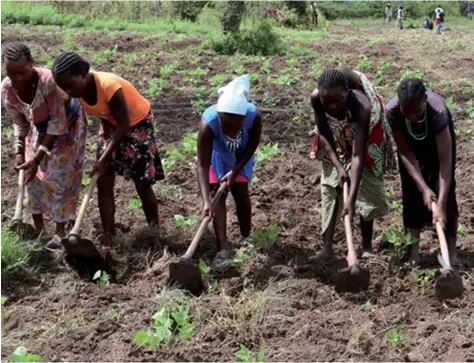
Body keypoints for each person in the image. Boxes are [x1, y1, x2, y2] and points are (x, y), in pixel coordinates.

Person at [52, 52, 164, 243]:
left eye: (70, 86)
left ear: (83, 73)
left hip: (136, 123)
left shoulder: (108, 86)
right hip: (110, 122)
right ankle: (108, 236)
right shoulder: (76, 90)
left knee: (142, 183)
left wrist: (102, 159)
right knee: (103, 180)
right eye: (64, 88)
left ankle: (155, 232)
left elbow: (124, 125)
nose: (68, 92)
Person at [1, 42, 87, 247]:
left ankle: (60, 233)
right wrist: (19, 152)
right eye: (12, 74)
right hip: (38, 126)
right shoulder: (6, 89)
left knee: (59, 177)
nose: (17, 79)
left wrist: (38, 157)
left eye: (22, 72)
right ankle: (39, 232)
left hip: (68, 125)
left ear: (31, 64)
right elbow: (20, 122)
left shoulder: (48, 81)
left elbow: (57, 122)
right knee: (33, 178)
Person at [309, 68, 393, 262]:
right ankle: (327, 248)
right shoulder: (317, 99)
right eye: (326, 102)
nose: (331, 106)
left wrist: (352, 199)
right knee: (330, 187)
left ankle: (366, 247)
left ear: (347, 92)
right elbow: (325, 135)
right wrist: (339, 167)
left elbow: (357, 154)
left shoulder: (362, 105)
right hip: (333, 133)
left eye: (337, 101)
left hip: (367, 132)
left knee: (366, 180)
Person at [386, 78, 459, 266]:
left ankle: (451, 254)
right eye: (406, 112)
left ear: (425, 100)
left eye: (417, 111)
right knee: (412, 192)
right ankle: (413, 253)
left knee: (447, 195)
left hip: (438, 147)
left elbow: (445, 165)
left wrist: (440, 204)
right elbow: (405, 151)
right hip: (410, 149)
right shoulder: (393, 112)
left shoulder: (439, 113)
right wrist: (423, 188)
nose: (412, 117)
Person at [197, 75, 262, 268]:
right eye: (226, 127)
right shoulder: (208, 123)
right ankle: (222, 248)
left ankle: (246, 237)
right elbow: (202, 164)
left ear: (243, 120)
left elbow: (253, 143)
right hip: (217, 155)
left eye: (236, 127)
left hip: (241, 155)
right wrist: (206, 200)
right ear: (219, 119)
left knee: (241, 192)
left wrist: (236, 170)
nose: (231, 132)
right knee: (217, 196)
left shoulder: (254, 116)